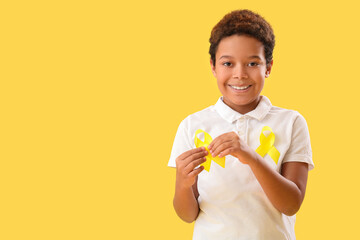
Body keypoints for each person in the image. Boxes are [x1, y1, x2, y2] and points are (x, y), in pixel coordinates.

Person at [168, 9, 314, 240]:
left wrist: (251, 156)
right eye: (227, 63)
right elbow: (187, 215)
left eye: (252, 63)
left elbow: (291, 204)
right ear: (213, 66)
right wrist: (183, 184)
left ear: (268, 67)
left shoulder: (291, 122)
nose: (240, 74)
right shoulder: (192, 125)